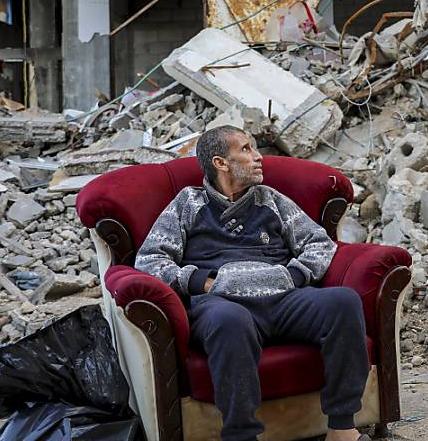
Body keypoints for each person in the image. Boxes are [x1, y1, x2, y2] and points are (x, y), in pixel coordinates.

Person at [135, 125, 370, 441]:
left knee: (343, 301)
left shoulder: (270, 199)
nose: (259, 157)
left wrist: (296, 274)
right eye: (246, 149)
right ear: (220, 163)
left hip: (285, 299)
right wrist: (201, 283)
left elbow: (319, 243)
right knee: (228, 321)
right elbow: (150, 260)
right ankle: (242, 436)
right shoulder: (188, 203)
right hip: (222, 303)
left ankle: (342, 428)